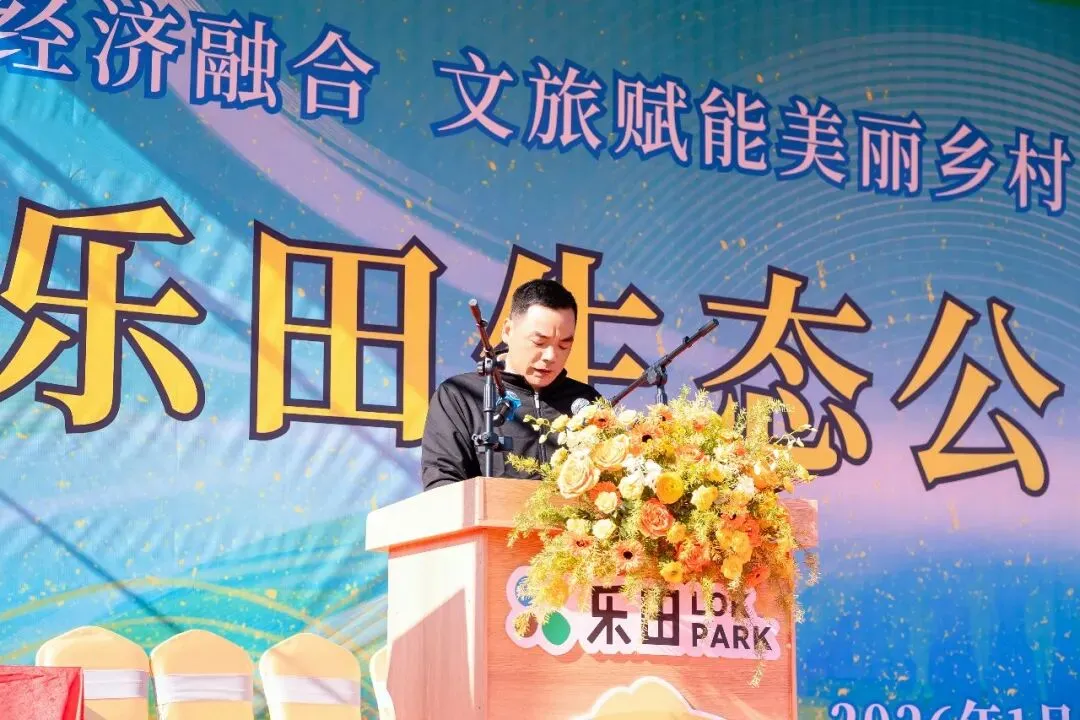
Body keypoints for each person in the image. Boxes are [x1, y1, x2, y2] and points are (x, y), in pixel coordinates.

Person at [421, 279, 602, 491]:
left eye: (563, 345)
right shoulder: (461, 396)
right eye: (539, 342)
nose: (551, 356)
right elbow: (442, 482)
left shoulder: (585, 402)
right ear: (508, 330)